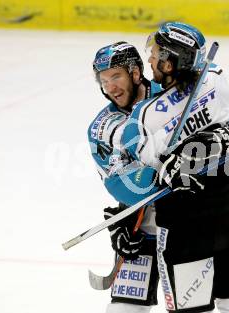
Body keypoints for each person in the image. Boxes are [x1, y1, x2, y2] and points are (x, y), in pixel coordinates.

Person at [103, 22, 229, 313]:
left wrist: (209, 146)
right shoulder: (211, 81)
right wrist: (131, 207)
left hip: (212, 215)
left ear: (169, 61)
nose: (149, 60)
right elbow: (120, 179)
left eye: (154, 54)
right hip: (208, 213)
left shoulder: (150, 115)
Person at [88, 41, 162, 313]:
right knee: (124, 309)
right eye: (104, 81)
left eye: (116, 76)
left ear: (135, 72)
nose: (111, 88)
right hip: (143, 227)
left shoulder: (172, 97)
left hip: (192, 222)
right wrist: (125, 211)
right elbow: (122, 184)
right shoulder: (102, 128)